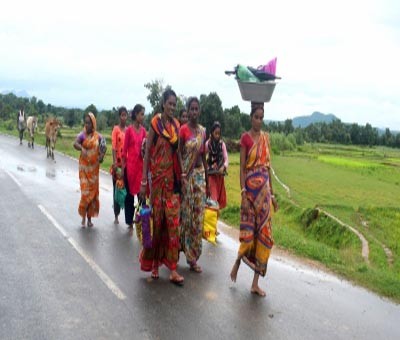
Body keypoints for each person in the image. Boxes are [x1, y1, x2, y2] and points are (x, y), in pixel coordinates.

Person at [230, 104, 278, 297]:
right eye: (256, 117)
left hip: (264, 196)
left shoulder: (266, 139)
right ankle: (236, 263)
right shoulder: (245, 138)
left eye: (261, 117)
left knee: (264, 237)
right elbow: (242, 168)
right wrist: (243, 192)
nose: (259, 120)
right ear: (251, 118)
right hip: (250, 194)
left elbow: (267, 168)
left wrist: (272, 195)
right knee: (248, 236)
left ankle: (255, 283)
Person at [139, 89, 184, 285]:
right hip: (156, 182)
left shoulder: (176, 126)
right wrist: (143, 181)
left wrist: (182, 175)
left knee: (173, 225)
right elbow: (148, 152)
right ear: (163, 104)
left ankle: (173, 268)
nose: (172, 107)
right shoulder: (155, 124)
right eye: (170, 104)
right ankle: (155, 264)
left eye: (175, 104)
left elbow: (178, 152)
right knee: (157, 225)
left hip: (171, 182)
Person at [178, 97, 209, 273]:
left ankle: (193, 257)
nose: (194, 112)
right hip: (186, 178)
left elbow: (203, 156)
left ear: (199, 111)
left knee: (198, 219)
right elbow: (179, 154)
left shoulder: (203, 132)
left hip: (199, 177)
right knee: (186, 217)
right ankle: (179, 250)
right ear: (188, 111)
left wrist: (208, 181)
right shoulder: (183, 130)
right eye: (192, 109)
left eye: (197, 109)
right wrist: (182, 176)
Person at [73, 112, 107, 228]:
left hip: (94, 171)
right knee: (85, 193)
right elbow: (75, 143)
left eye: (89, 123)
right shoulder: (82, 135)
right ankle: (83, 216)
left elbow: (104, 147)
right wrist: (82, 148)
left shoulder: (99, 137)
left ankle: (89, 219)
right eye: (85, 122)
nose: (86, 125)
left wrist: (101, 156)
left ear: (93, 124)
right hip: (84, 169)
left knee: (92, 195)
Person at [122, 104, 147, 229]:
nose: (143, 116)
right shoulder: (129, 131)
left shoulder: (143, 131)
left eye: (143, 114)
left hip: (141, 168)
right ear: (136, 114)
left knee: (142, 195)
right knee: (130, 196)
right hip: (131, 168)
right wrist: (122, 168)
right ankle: (129, 221)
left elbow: (146, 149)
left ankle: (143, 219)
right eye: (141, 114)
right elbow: (124, 150)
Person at [205, 121, 228, 209]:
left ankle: (214, 219)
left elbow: (226, 159)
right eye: (215, 133)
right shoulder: (208, 144)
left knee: (218, 201)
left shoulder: (222, 145)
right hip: (211, 175)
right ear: (212, 133)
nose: (217, 135)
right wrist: (206, 167)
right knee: (213, 199)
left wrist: (224, 166)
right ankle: (212, 220)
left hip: (219, 175)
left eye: (219, 133)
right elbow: (203, 156)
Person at [111, 107, 128, 224]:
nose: (124, 117)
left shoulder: (128, 130)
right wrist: (114, 163)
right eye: (122, 115)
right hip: (117, 165)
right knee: (116, 189)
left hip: (126, 165)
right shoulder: (116, 129)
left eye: (125, 115)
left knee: (126, 191)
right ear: (119, 117)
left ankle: (127, 217)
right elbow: (113, 146)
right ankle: (116, 215)